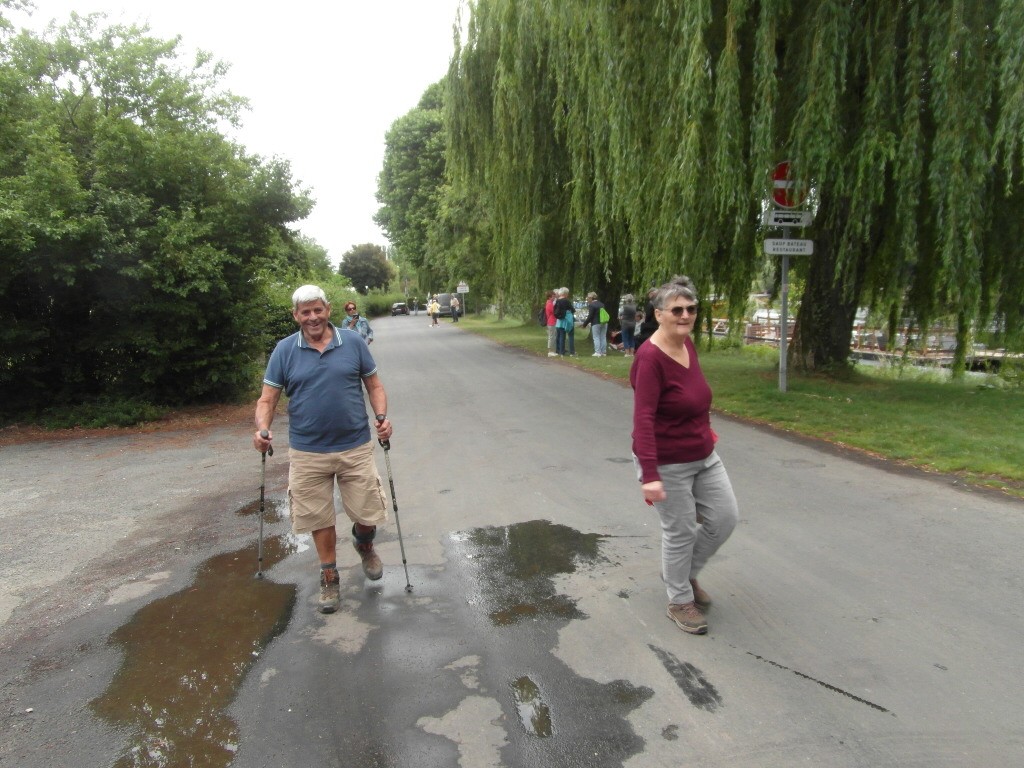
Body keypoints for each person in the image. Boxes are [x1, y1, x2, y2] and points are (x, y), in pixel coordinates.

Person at [253, 285, 394, 615]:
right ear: (296, 315)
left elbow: (374, 385)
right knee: (318, 516)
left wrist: (382, 417)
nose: (312, 317)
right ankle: (329, 574)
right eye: (305, 312)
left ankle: (364, 543)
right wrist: (261, 429)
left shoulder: (354, 342)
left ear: (328, 310)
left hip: (354, 446)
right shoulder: (284, 351)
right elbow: (267, 399)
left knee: (367, 512)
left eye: (318, 310)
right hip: (307, 451)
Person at [630, 276, 739, 635]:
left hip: (703, 455)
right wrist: (650, 475)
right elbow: (643, 420)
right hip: (667, 462)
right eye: (677, 310)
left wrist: (704, 429)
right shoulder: (649, 359)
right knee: (679, 532)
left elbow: (694, 396)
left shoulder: (686, 344)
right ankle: (679, 600)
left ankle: (682, 573)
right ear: (658, 314)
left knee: (724, 518)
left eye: (691, 309)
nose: (685, 315)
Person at [580, 291, 608, 357]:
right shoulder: (602, 304)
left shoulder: (592, 305)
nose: (587, 299)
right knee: (603, 337)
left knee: (596, 337)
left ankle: (597, 352)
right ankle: (603, 352)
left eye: (588, 298)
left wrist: (584, 324)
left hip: (596, 323)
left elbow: (590, 316)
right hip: (604, 322)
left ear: (591, 298)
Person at [553, 287, 576, 357]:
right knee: (571, 335)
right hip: (567, 320)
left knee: (561, 336)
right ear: (565, 294)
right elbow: (572, 309)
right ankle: (572, 352)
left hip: (559, 320)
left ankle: (561, 352)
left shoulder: (557, 301)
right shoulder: (566, 301)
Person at [544, 290, 558, 357]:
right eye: (553, 297)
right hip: (551, 322)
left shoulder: (550, 303)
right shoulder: (549, 304)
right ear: (549, 297)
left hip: (552, 321)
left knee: (552, 336)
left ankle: (552, 350)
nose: (554, 298)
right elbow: (554, 312)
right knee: (551, 336)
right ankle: (550, 351)